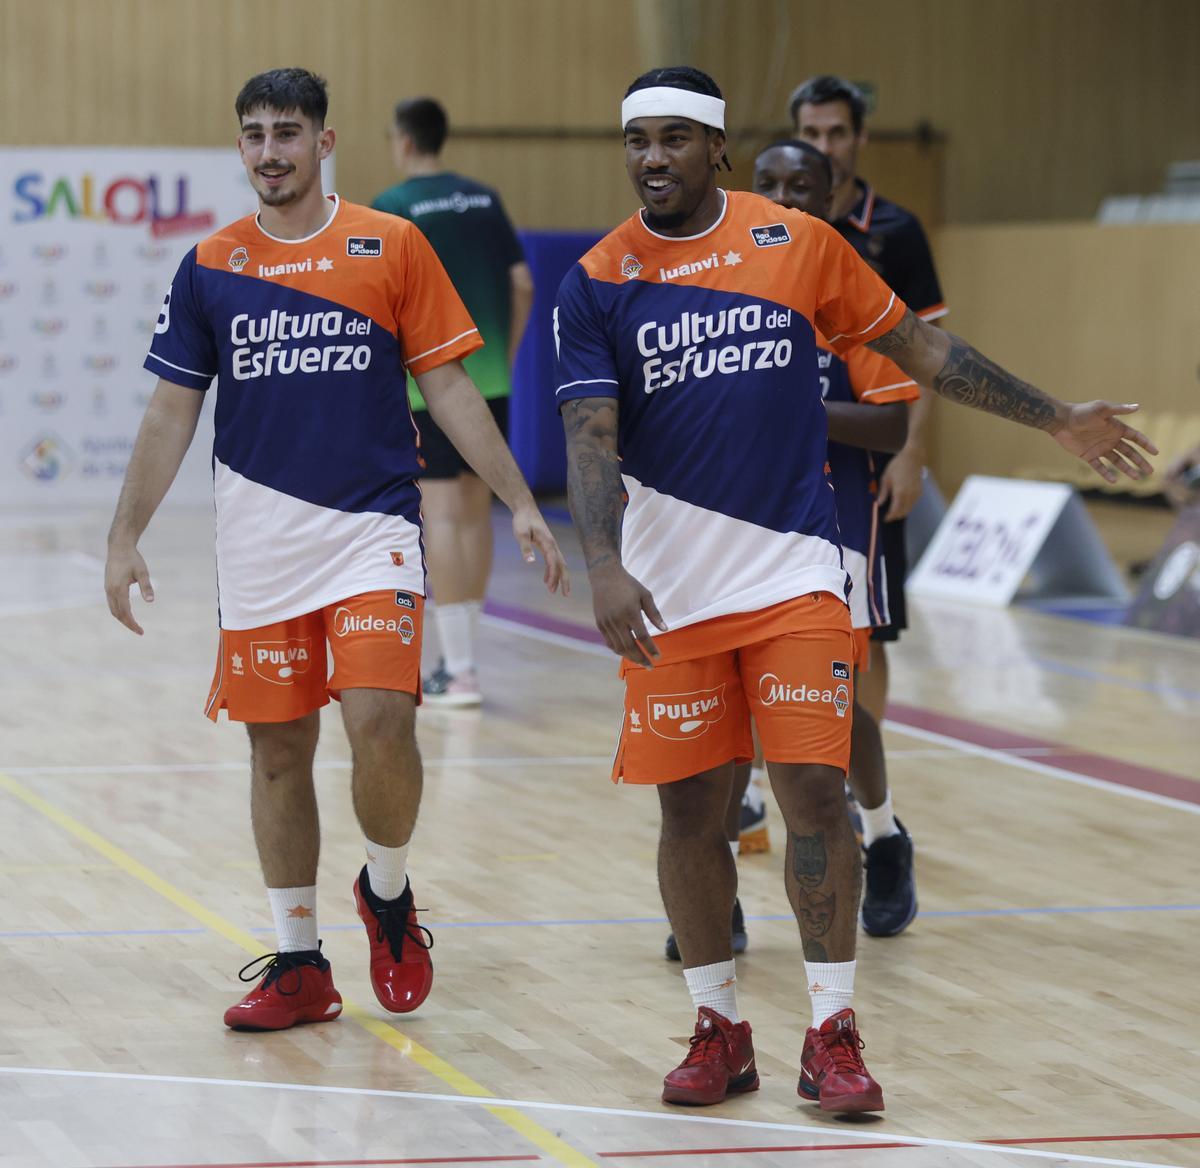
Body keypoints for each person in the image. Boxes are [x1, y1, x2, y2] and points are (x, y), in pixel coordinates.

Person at [554, 65, 1153, 1113]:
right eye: (637, 141)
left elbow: (922, 348)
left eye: (674, 140)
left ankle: (831, 1031)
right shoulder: (598, 279)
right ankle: (720, 1026)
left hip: (794, 577)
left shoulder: (799, 246)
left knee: (814, 797)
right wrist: (603, 562)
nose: (653, 158)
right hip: (673, 597)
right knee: (690, 814)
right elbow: (589, 435)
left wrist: (1054, 414)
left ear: (718, 151)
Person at [104, 68, 566, 1033]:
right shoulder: (210, 265)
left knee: (382, 724)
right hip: (260, 544)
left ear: (324, 142)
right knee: (277, 753)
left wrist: (520, 497)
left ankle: (388, 894)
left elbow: (447, 388)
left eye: (288, 131)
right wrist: (125, 534)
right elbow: (171, 409)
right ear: (241, 148)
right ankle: (301, 962)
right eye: (254, 134)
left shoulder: (391, 244)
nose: (270, 150)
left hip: (372, 534)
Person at [753, 139, 920, 937]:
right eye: (769, 185)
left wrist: (797, 414)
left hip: (833, 527)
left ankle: (883, 834)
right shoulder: (711, 287)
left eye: (802, 186)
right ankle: (713, 898)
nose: (786, 198)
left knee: (839, 707)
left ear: (830, 194)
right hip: (727, 527)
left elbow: (891, 421)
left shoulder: (850, 292)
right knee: (725, 717)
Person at [789, 75, 945, 731]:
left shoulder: (897, 232)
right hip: (784, 463)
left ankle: (860, 793)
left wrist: (910, 452)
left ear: (860, 137)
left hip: (868, 457)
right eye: (811, 133)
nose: (824, 145)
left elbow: (931, 351)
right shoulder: (772, 226)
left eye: (836, 133)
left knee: (868, 627)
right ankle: (768, 790)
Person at [373, 98, 535, 707]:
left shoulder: (394, 207)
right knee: (475, 513)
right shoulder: (485, 198)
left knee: (439, 515)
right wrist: (508, 357)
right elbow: (522, 283)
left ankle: (458, 668)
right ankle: (465, 664)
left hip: (429, 387)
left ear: (405, 141)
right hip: (491, 380)